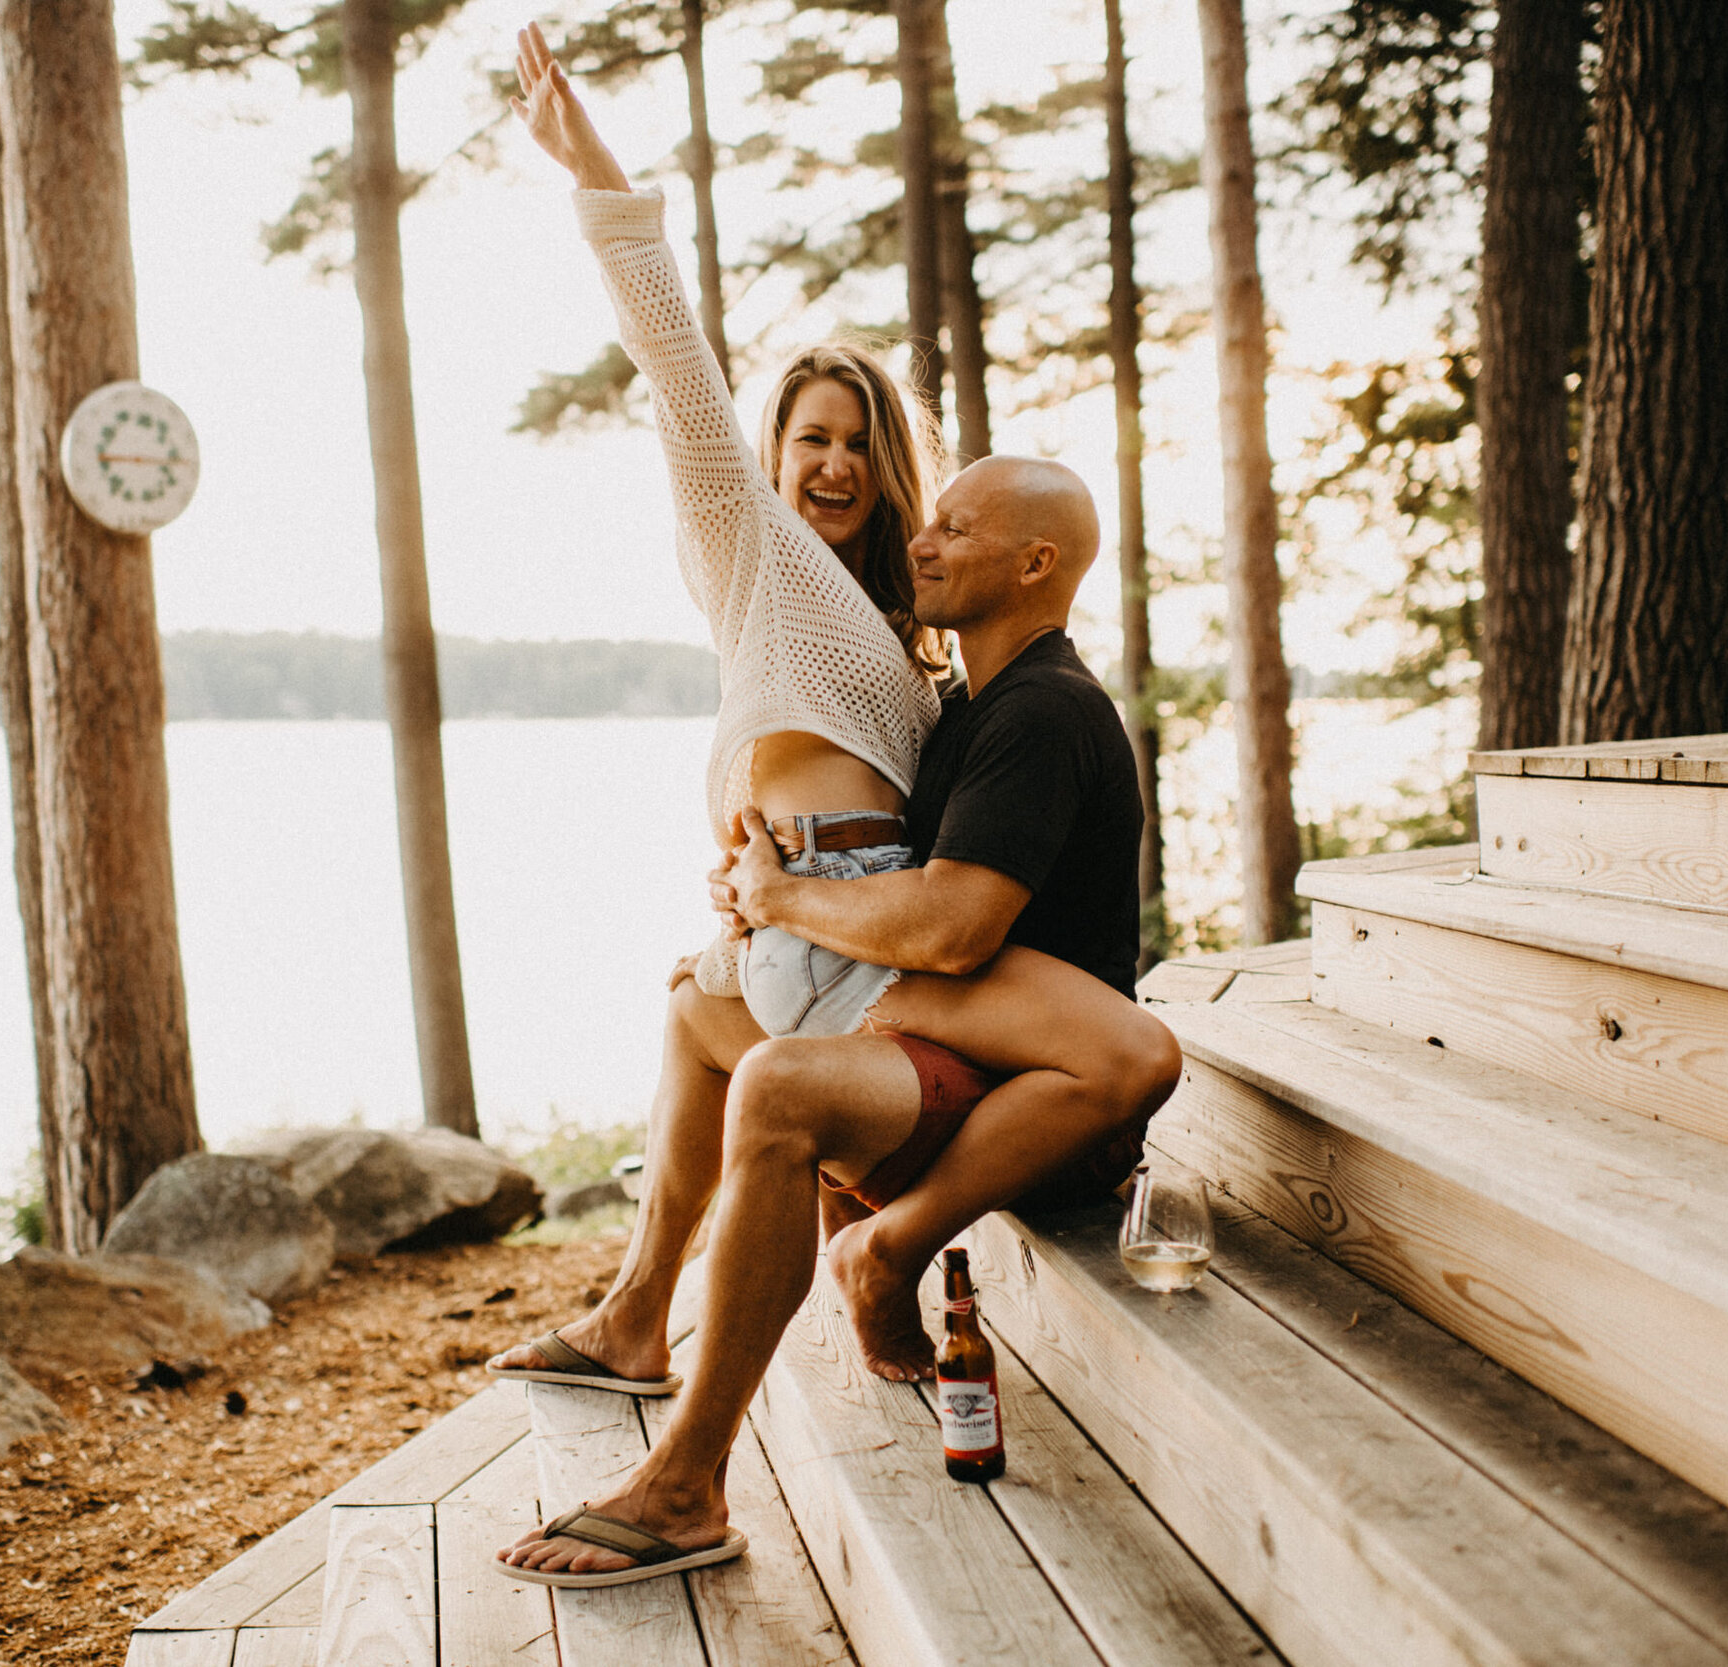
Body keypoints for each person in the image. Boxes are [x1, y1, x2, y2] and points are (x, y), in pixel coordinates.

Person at [486, 30, 1180, 1586]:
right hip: (849, 948)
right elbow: (679, 373)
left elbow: (941, 895)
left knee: (741, 1053)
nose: (835, 464)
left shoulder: (933, 671)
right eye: (808, 438)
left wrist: (767, 895)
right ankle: (631, 1318)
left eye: (863, 440)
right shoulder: (763, 566)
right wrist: (605, 189)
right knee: (692, 1014)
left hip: (874, 950)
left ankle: (681, 1454)